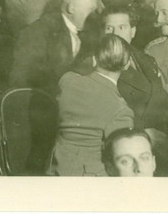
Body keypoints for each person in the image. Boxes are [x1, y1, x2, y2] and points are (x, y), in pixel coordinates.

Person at [51, 34, 136, 176]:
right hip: (92, 178)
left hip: (55, 169)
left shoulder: (67, 81)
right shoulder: (121, 110)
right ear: (127, 65)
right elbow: (121, 157)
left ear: (94, 60)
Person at [10, 0, 98, 93]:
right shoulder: (38, 32)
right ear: (71, 8)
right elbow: (23, 78)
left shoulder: (85, 31)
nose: (94, 16)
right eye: (90, 10)